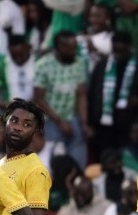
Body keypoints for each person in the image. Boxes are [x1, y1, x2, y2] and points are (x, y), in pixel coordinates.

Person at [33, 30, 91, 170]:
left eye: (75, 48)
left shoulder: (79, 64)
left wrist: (84, 123)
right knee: (53, 164)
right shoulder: (42, 65)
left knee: (78, 161)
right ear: (60, 47)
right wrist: (60, 122)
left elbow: (81, 95)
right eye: (71, 49)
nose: (74, 52)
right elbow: (39, 98)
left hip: (73, 118)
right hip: (50, 121)